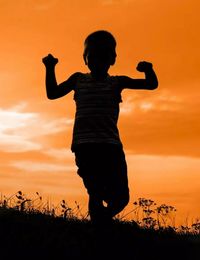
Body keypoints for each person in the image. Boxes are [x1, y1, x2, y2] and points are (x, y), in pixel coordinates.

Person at [42, 30, 158, 225]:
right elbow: (52, 93)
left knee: (121, 198)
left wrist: (148, 69)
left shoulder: (117, 82)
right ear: (85, 59)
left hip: (110, 147)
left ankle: (100, 220)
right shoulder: (78, 79)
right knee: (95, 192)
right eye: (93, 56)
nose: (98, 61)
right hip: (85, 146)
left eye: (104, 56)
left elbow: (151, 84)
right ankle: (98, 229)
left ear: (112, 59)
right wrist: (50, 67)